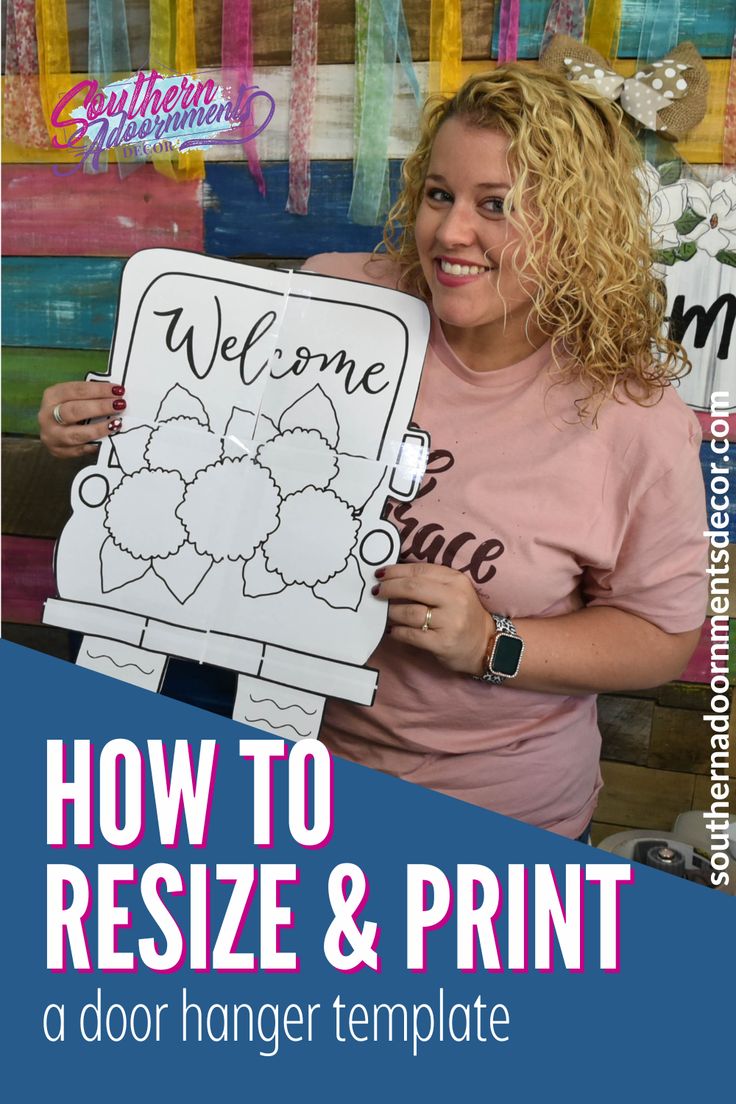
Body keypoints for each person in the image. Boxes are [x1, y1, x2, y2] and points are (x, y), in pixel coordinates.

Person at [38, 65, 707, 840]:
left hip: (493, 814)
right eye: (439, 195)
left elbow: (662, 638)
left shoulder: (633, 417)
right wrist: (101, 424)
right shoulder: (342, 304)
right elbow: (212, 446)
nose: (452, 233)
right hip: (287, 767)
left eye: (498, 206)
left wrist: (495, 643)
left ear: (575, 223)